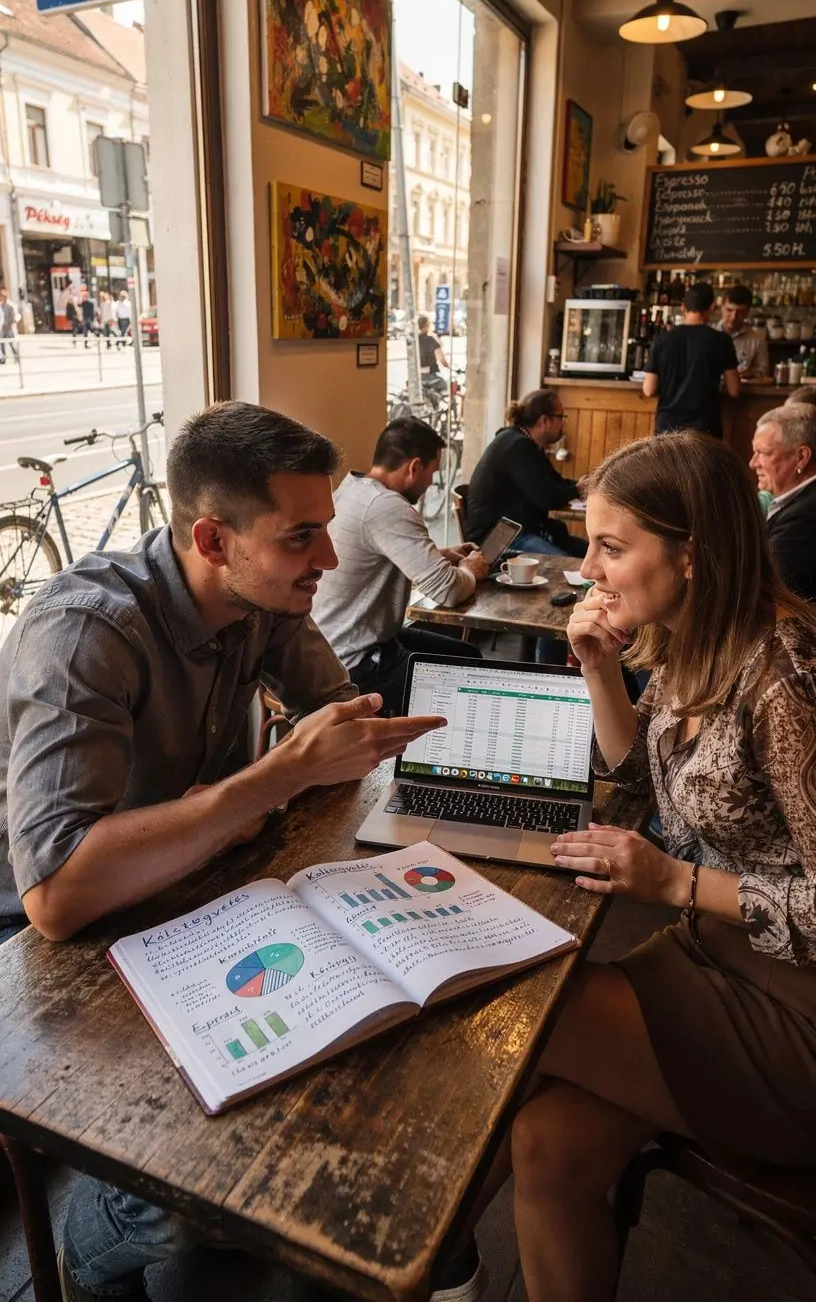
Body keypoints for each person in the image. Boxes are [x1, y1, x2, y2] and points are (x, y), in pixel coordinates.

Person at [0, 401, 446, 1300]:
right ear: (213, 538)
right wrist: (274, 779)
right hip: (47, 948)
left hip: (185, 893)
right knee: (202, 1188)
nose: (328, 559)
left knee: (361, 1079)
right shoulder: (91, 630)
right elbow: (53, 895)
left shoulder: (265, 599)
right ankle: (64, 1267)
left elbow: (336, 726)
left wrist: (405, 751)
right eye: (301, 539)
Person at [504, 430, 816, 1302]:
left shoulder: (783, 675)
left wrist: (676, 883)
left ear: (692, 553)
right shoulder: (687, 640)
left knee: (520, 1009)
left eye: (612, 546)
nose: (591, 568)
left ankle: (415, 1244)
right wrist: (599, 668)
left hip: (794, 998)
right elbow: (639, 782)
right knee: (546, 1146)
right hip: (714, 952)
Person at [312, 417, 487, 715]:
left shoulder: (353, 489)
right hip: (353, 666)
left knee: (467, 655)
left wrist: (442, 555)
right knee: (470, 679)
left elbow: (379, 555)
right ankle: (435, 753)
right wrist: (472, 570)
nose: (432, 483)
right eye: (432, 473)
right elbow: (448, 591)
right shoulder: (387, 506)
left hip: (338, 646)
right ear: (414, 467)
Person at [464, 389, 587, 558]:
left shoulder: (524, 442)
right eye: (561, 417)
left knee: (591, 554)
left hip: (520, 531)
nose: (564, 423)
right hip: (498, 541)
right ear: (544, 421)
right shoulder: (518, 447)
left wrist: (580, 485)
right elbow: (548, 498)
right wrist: (577, 489)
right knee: (573, 566)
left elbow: (553, 483)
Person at [643, 281, 740, 436]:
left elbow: (648, 390)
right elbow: (734, 390)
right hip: (706, 428)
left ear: (683, 308)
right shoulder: (722, 341)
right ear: (711, 308)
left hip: (668, 428)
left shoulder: (662, 340)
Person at [750, 403, 816, 602]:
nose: (753, 463)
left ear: (801, 457)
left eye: (763, 453)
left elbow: (761, 589)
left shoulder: (805, 518)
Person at [717, 282, 771, 379]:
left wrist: (751, 373)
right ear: (721, 307)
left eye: (740, 312)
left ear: (747, 312)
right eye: (729, 310)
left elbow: (764, 370)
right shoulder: (708, 334)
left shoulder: (757, 339)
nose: (733, 317)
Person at [417, 313, 449, 402]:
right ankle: (438, 411)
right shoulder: (431, 339)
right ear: (427, 325)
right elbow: (441, 359)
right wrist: (448, 366)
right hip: (430, 376)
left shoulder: (415, 339)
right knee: (445, 386)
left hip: (417, 376)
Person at [0, 286, 20, 364]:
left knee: (11, 343)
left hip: (9, 328)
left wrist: (10, 324)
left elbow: (14, 316)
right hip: (3, 328)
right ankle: (3, 358)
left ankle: (16, 357)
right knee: (2, 343)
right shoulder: (1, 305)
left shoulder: (10, 305)